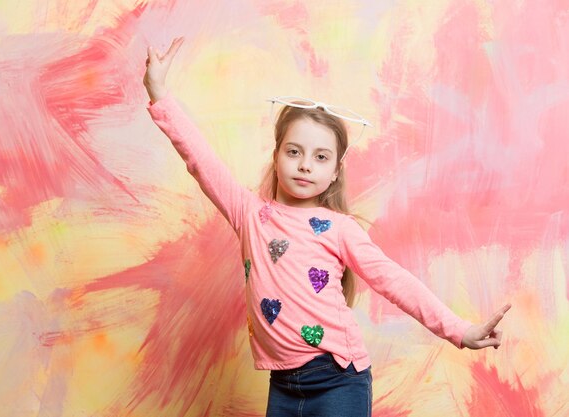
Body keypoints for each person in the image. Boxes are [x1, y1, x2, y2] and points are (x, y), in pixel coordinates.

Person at [143, 36, 511, 417]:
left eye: (320, 157)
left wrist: (459, 330)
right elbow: (201, 161)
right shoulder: (249, 214)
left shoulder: (340, 228)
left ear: (335, 171)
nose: (305, 165)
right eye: (294, 152)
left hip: (339, 378)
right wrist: (159, 93)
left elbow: (393, 280)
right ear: (276, 154)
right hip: (282, 385)